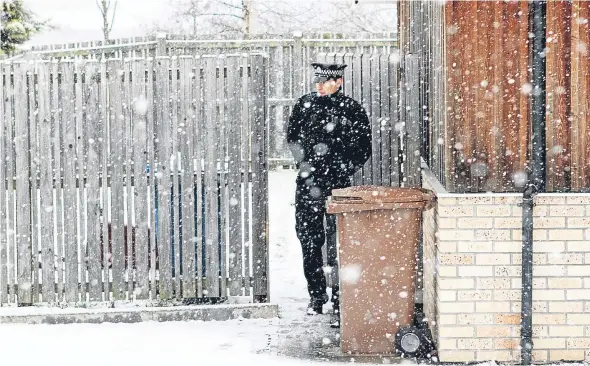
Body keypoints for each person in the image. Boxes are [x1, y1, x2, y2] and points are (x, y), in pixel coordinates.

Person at [286, 62, 372, 327]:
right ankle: (316, 296)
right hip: (308, 184)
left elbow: (363, 147)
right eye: (317, 81)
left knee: (340, 244)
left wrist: (343, 169)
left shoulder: (351, 109)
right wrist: (305, 166)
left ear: (338, 82)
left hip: (339, 186)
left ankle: (340, 299)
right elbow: (293, 138)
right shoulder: (305, 105)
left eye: (324, 81)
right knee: (309, 239)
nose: (319, 86)